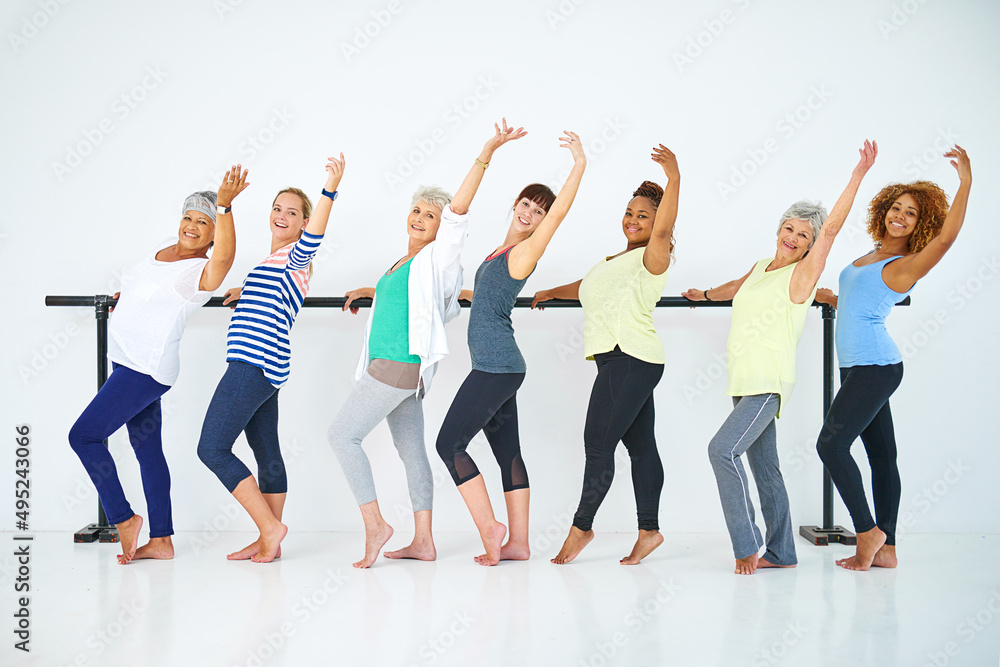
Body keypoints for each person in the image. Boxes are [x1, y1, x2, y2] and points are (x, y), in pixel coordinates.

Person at [333, 120, 526, 569]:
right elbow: (406, 300)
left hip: (399, 366)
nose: (421, 218)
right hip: (394, 368)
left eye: (430, 215)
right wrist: (371, 290)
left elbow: (458, 210)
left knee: (341, 435)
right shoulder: (405, 262)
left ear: (443, 229)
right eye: (417, 210)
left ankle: (376, 525)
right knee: (412, 451)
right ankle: (423, 541)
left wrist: (486, 153)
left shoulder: (439, 256)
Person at [683, 140, 878, 575]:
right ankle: (783, 552)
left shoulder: (802, 276)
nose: (793, 238)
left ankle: (746, 545)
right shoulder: (759, 268)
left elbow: (831, 231)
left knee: (720, 452)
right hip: (742, 381)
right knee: (766, 468)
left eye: (803, 235)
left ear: (810, 246)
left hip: (767, 384)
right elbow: (733, 287)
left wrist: (858, 175)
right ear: (778, 231)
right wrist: (704, 294)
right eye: (789, 229)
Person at [69, 166, 248, 564]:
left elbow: (225, 260)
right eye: (189, 216)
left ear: (213, 235)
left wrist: (225, 206)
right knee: (147, 451)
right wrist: (127, 296)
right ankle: (162, 540)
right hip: (125, 361)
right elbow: (148, 285)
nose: (192, 226)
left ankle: (123, 518)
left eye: (204, 222)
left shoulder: (198, 273)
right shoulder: (167, 247)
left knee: (83, 437)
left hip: (144, 369)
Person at [814, 145, 971, 571]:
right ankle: (889, 549)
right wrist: (832, 296)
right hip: (860, 368)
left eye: (912, 213)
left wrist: (966, 182)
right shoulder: (872, 255)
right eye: (896, 207)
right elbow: (862, 297)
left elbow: (948, 239)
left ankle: (867, 533)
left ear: (922, 224)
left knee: (830, 444)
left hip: (875, 367)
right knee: (883, 458)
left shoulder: (906, 264)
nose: (900, 216)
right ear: (884, 209)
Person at [436, 131, 587, 566]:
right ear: (515, 204)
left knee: (449, 444)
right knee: (509, 455)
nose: (531, 213)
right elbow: (483, 298)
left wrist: (578, 166)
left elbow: (559, 216)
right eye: (526, 204)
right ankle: (519, 543)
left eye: (538, 211)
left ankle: (491, 530)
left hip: (496, 366)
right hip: (500, 365)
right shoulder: (498, 253)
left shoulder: (523, 253)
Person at [532, 145, 679, 565]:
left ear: (657, 223)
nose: (633, 220)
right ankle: (649, 531)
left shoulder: (654, 255)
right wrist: (552, 291)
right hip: (625, 360)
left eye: (643, 216)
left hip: (630, 357)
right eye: (630, 213)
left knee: (597, 445)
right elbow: (587, 286)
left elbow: (665, 231)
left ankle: (582, 527)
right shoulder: (617, 259)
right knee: (641, 446)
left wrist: (674, 179)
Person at [197, 155, 345, 563]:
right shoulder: (270, 262)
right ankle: (270, 541)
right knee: (267, 454)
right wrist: (243, 292)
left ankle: (269, 527)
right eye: (277, 208)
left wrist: (330, 189)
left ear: (302, 223)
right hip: (268, 366)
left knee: (211, 448)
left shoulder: (298, 255)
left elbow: (314, 239)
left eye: (293, 212)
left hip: (253, 362)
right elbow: (273, 296)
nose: (282, 215)